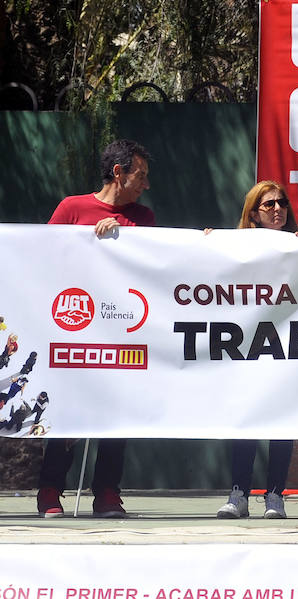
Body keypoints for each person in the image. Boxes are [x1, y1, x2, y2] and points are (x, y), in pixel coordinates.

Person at [38, 138, 153, 518]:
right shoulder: (72, 208)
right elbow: (44, 260)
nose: (146, 185)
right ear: (118, 173)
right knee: (67, 414)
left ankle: (107, 493)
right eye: (141, 175)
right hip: (75, 330)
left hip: (125, 334)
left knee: (116, 415)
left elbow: (156, 267)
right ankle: (51, 489)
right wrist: (89, 243)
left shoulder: (144, 218)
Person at [212, 181, 298, 519]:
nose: (278, 209)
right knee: (247, 419)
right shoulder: (236, 247)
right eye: (269, 204)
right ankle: (239, 495)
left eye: (282, 203)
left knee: (282, 420)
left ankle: (275, 495)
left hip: (287, 344)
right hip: (248, 342)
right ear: (254, 213)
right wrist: (206, 245)